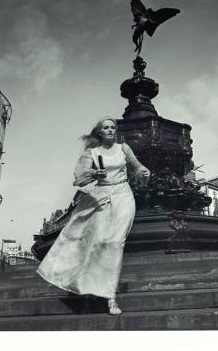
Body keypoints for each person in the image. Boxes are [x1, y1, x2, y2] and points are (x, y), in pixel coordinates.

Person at [37, 117, 150, 315]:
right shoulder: (92, 153)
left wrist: (144, 171)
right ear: (100, 132)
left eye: (113, 127)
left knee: (115, 242)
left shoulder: (124, 148)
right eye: (106, 127)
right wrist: (94, 175)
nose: (110, 130)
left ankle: (111, 298)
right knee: (98, 242)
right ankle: (89, 284)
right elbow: (79, 179)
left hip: (124, 195)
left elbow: (137, 166)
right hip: (102, 198)